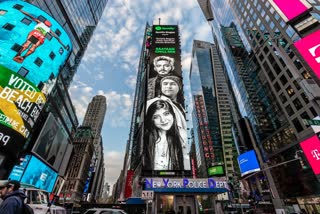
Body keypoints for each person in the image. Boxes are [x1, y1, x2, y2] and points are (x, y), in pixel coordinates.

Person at [147, 75, 190, 170]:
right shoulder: (152, 102)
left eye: (172, 84)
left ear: (179, 87)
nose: (168, 86)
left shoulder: (181, 107)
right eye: (165, 84)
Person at [143, 100, 184, 170]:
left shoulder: (180, 140)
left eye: (166, 113)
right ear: (151, 120)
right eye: (156, 117)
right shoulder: (146, 140)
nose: (163, 120)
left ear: (173, 115)